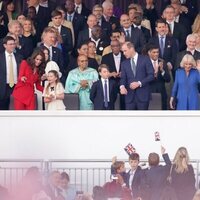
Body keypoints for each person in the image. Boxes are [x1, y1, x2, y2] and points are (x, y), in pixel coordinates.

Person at [120, 42, 154, 110]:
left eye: (125, 51)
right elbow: (123, 78)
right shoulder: (124, 63)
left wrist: (139, 83)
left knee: (142, 120)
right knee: (130, 120)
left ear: (131, 49)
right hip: (129, 97)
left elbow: (151, 76)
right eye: (123, 51)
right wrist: (122, 87)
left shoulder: (145, 59)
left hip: (143, 96)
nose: (124, 53)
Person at [0, 36, 22, 110]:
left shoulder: (19, 57)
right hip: (4, 87)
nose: (13, 46)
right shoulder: (1, 57)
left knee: (17, 108)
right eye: (10, 44)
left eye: (14, 44)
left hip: (16, 86)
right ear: (5, 45)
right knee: (3, 108)